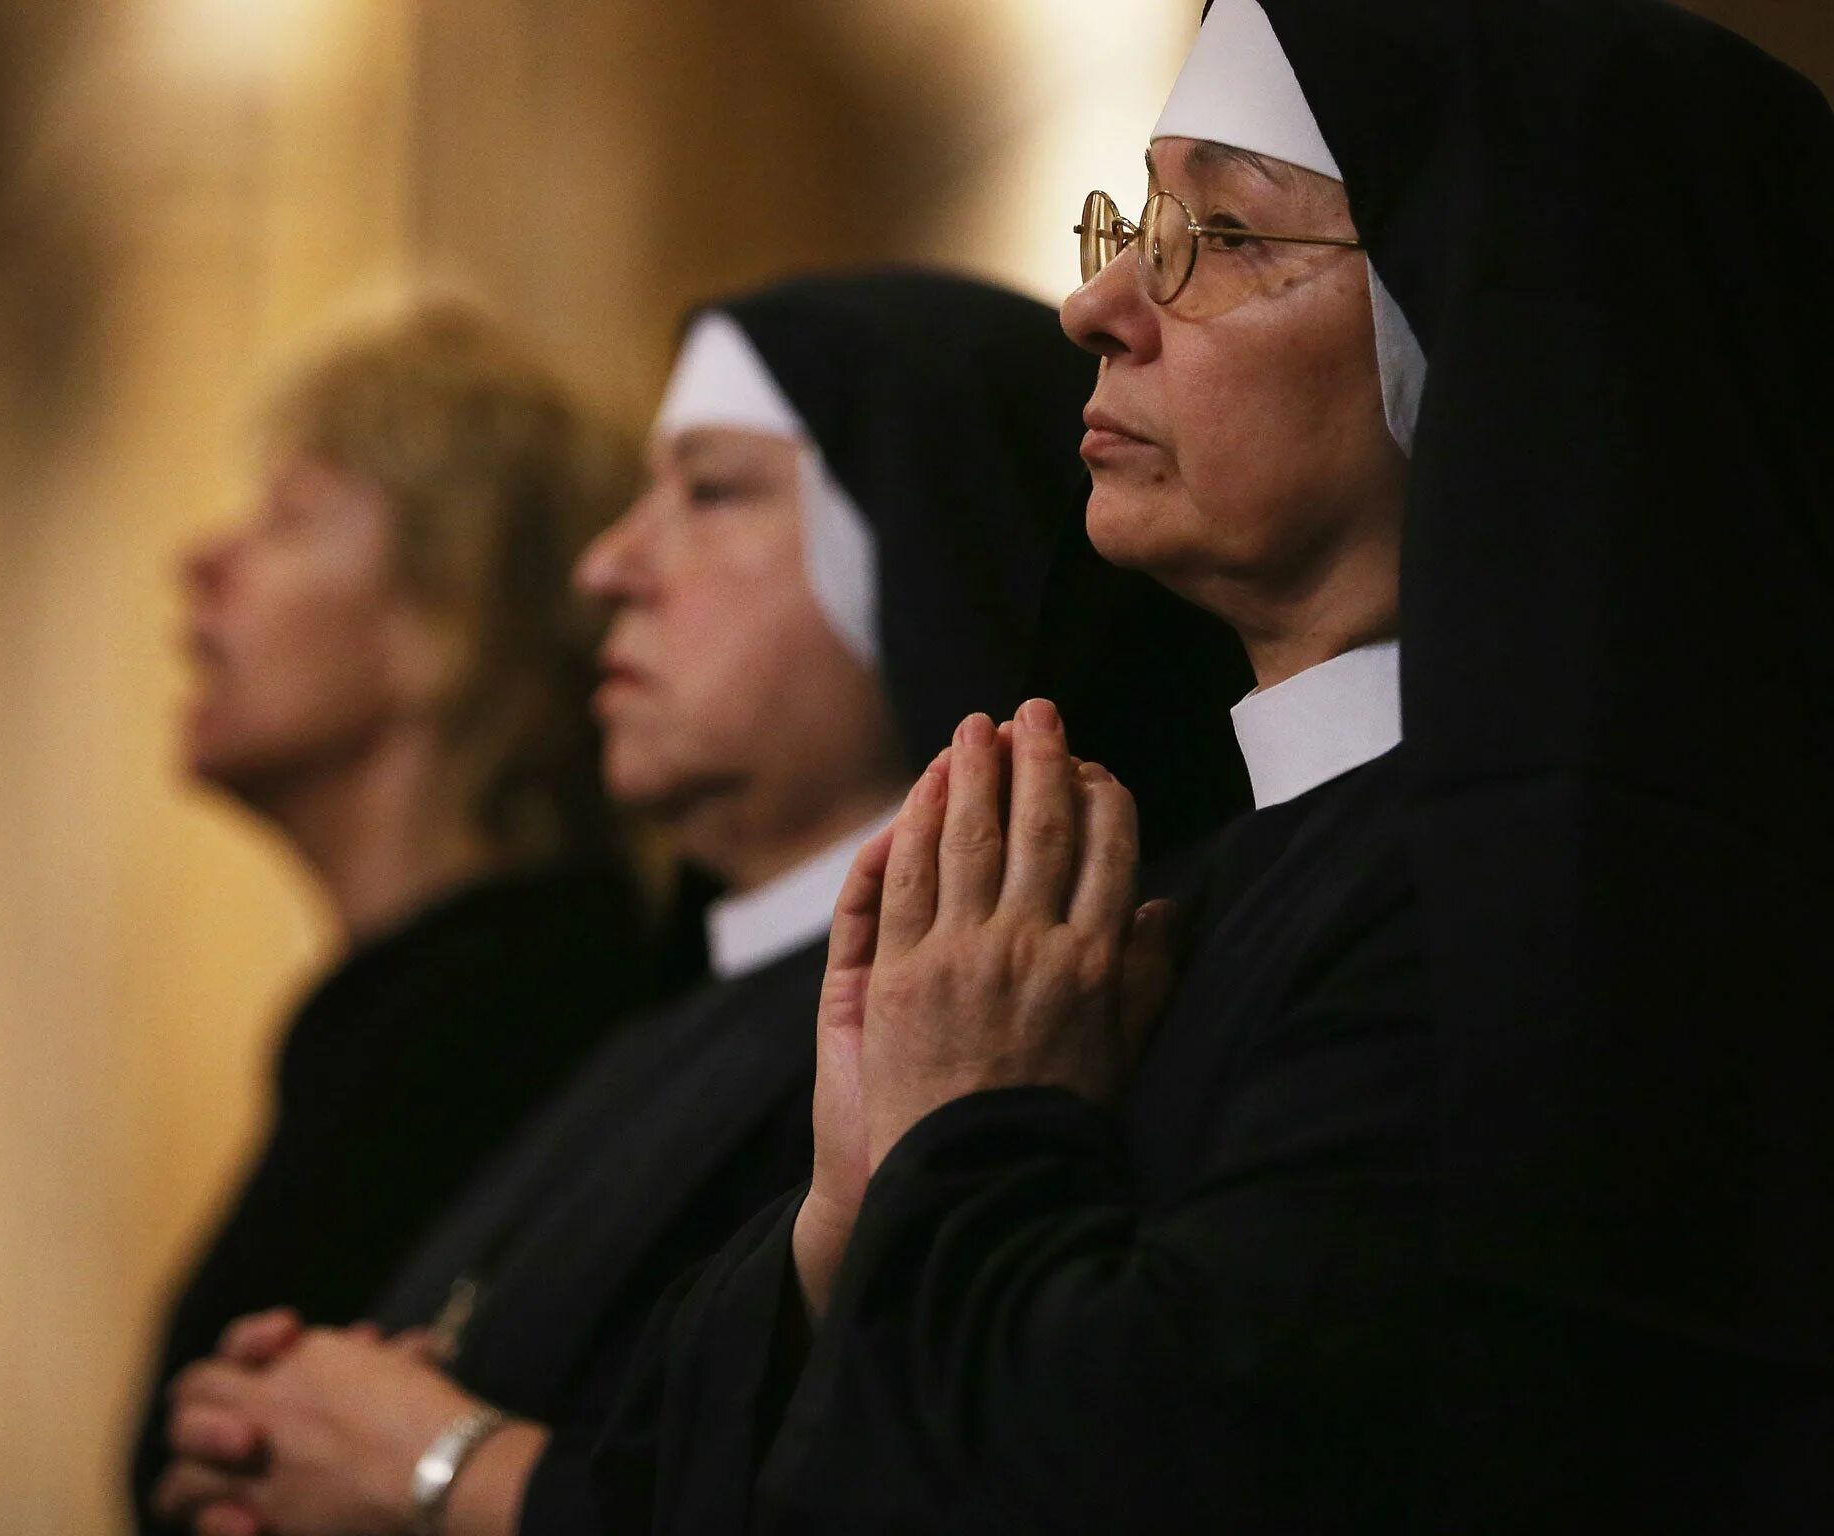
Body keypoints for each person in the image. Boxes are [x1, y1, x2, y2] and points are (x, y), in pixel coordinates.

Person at [598, 2, 1834, 1532]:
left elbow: (1169, 1460)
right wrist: (850, 1216)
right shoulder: (1170, 884)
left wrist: (961, 1139)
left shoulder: (1564, 920)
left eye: (1229, 232)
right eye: (1140, 218)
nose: (1098, 303)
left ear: (1502, 327)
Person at [149, 269, 1253, 1536]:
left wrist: (428, 1466)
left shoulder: (1020, 1012)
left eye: (712, 489)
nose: (609, 566)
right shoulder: (663, 1020)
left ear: (927, 550)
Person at [128, 301, 660, 1533]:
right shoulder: (410, 1008)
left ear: (449, 614)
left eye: (291, 517)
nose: (202, 561)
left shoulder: (521, 1020)